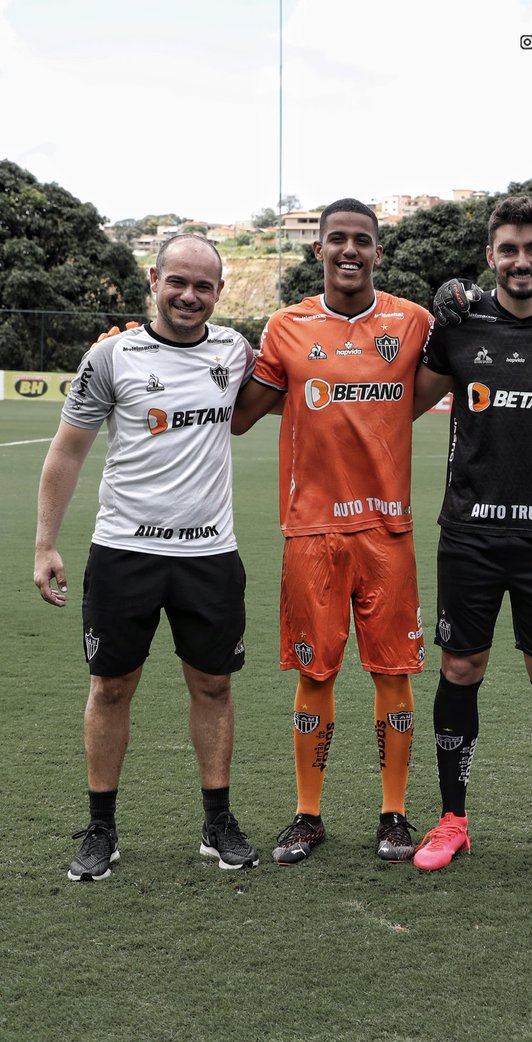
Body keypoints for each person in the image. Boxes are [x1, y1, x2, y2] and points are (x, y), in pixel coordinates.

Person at [34, 234, 259, 881]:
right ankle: (101, 828)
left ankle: (217, 823)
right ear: (154, 279)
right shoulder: (110, 357)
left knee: (213, 685)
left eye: (204, 285)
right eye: (178, 281)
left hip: (210, 555)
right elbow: (67, 450)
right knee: (109, 688)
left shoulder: (236, 351)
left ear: (219, 291)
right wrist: (46, 542)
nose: (190, 295)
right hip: (124, 552)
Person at [409, 196, 532, 874]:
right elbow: (403, 404)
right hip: (469, 533)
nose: (520, 261)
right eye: (508, 249)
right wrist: (434, 317)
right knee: (461, 668)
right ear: (490, 256)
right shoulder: (460, 327)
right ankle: (451, 821)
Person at [233, 199, 436, 865]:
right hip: (311, 531)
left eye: (363, 241)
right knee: (315, 674)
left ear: (379, 251)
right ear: (317, 249)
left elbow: (437, 386)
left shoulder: (413, 323)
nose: (350, 250)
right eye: (337, 240)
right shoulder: (286, 328)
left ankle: (395, 814)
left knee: (394, 675)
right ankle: (308, 814)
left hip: (387, 529)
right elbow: (239, 416)